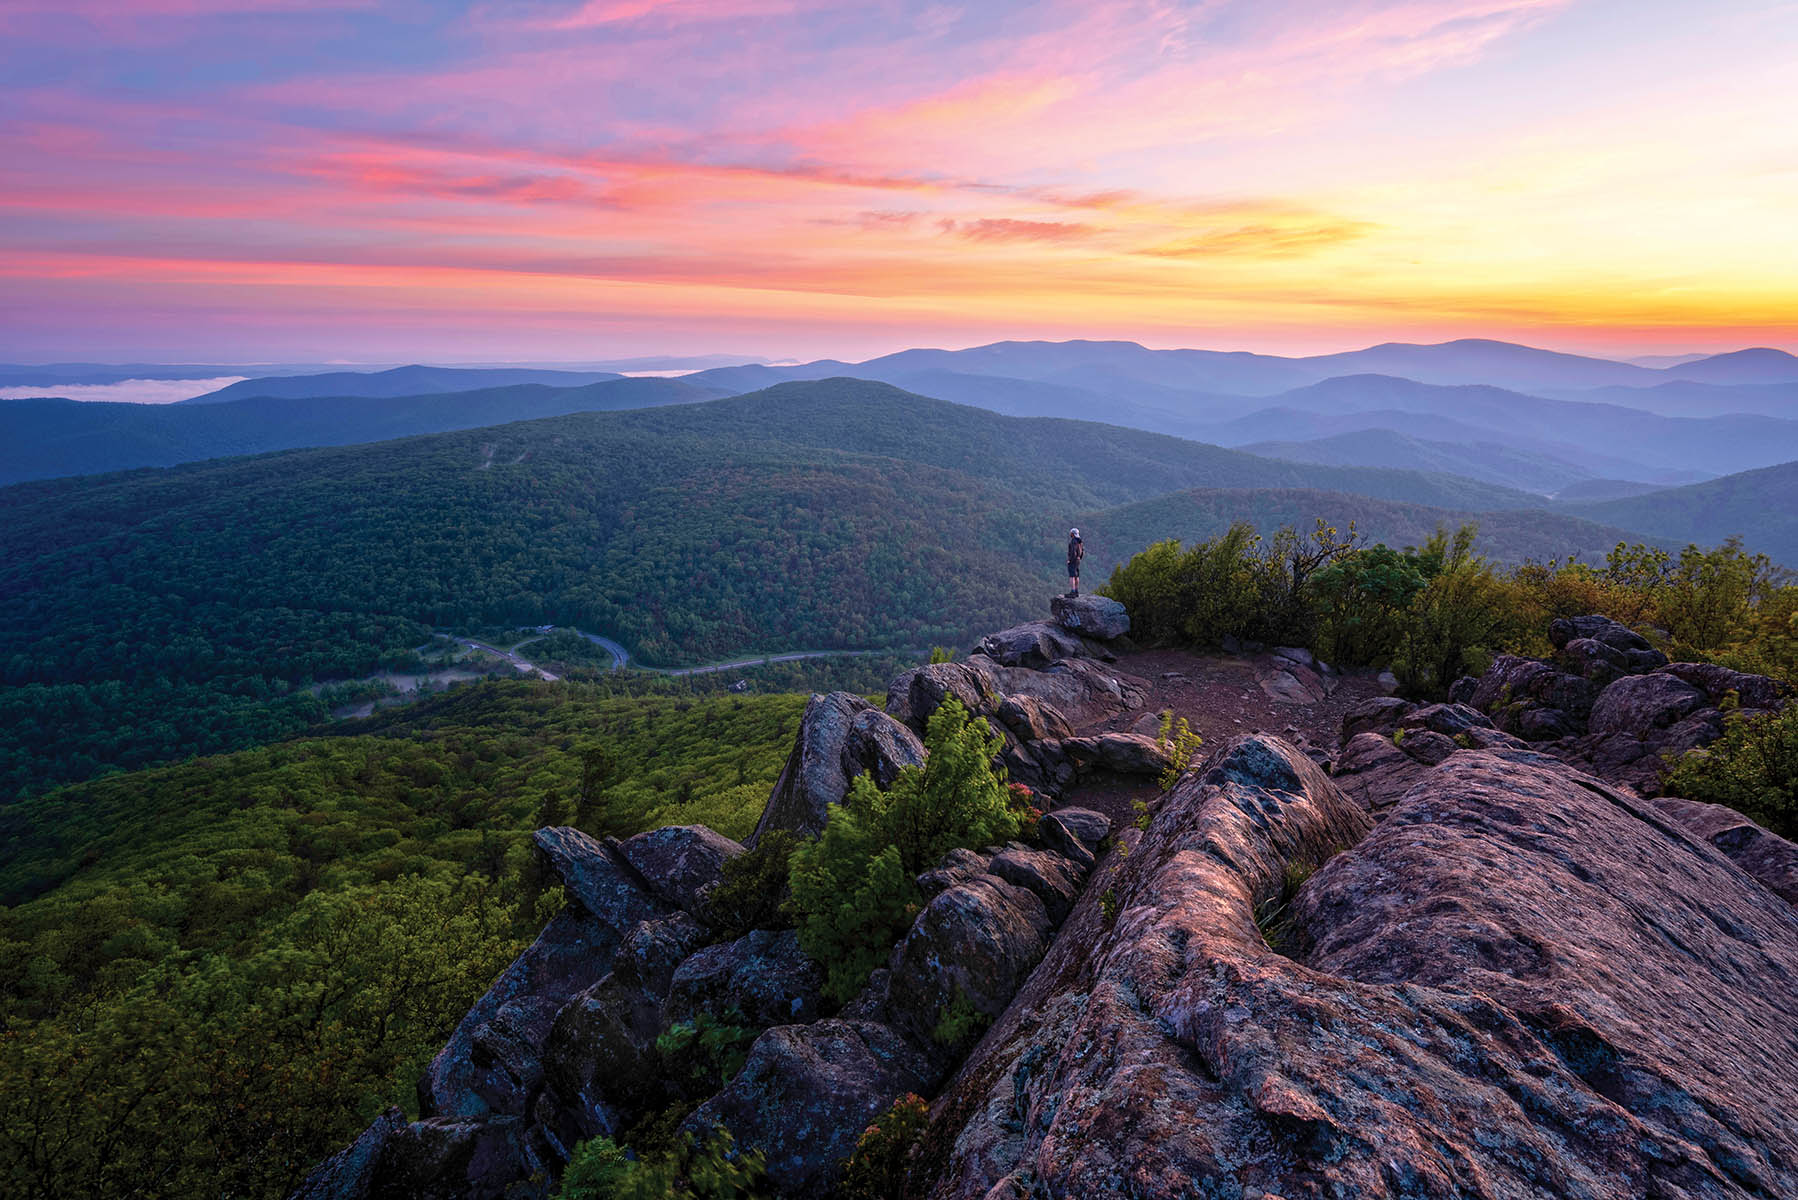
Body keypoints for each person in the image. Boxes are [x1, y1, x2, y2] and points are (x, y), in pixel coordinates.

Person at [1066, 527, 1084, 596]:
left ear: (1073, 534)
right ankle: (1076, 591)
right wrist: (1080, 558)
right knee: (1077, 575)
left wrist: (1069, 560)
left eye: (1071, 533)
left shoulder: (1073, 541)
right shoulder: (1080, 541)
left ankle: (1073, 591)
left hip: (1073, 560)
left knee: (1072, 576)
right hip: (1078, 560)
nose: (1070, 534)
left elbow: (1073, 552)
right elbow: (1083, 551)